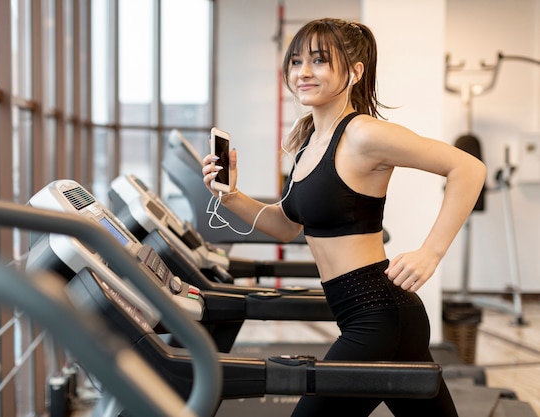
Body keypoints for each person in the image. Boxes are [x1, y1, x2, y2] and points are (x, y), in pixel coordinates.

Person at [201, 18, 486, 417]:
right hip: (369, 313)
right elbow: (286, 226)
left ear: (355, 72)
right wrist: (229, 196)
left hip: (377, 314)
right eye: (296, 61)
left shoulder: (363, 134)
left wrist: (430, 252)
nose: (302, 72)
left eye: (318, 61)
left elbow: (469, 168)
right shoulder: (308, 142)